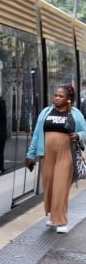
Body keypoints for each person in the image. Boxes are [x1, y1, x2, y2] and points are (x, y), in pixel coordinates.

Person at [25, 83, 86, 234]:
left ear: (69, 99)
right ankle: (52, 215)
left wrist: (79, 135)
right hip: (47, 155)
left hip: (66, 155)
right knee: (49, 185)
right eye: (55, 95)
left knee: (61, 186)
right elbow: (37, 135)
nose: (57, 98)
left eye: (61, 96)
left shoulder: (76, 114)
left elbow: (84, 132)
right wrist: (30, 155)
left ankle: (61, 220)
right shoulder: (46, 112)